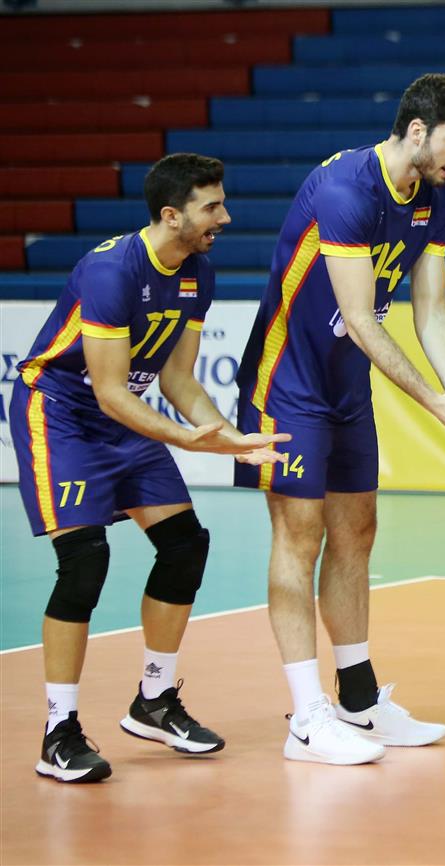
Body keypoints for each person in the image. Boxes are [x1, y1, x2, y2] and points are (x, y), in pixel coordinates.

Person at [235, 73, 445, 766]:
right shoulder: (346, 191)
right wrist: (433, 404)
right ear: (417, 130)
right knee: (298, 537)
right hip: (288, 381)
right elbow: (360, 319)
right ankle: (306, 718)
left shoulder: (435, 198)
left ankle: (357, 703)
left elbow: (432, 311)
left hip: (345, 385)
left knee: (357, 530)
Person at [9, 153, 289, 783]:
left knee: (186, 545)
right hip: (62, 412)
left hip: (122, 413)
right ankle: (58, 732)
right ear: (171, 215)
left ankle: (154, 701)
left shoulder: (197, 272)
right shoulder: (112, 269)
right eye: (212, 206)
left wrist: (229, 437)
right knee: (85, 561)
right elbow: (110, 392)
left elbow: (178, 378)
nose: (225, 217)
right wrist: (188, 441)